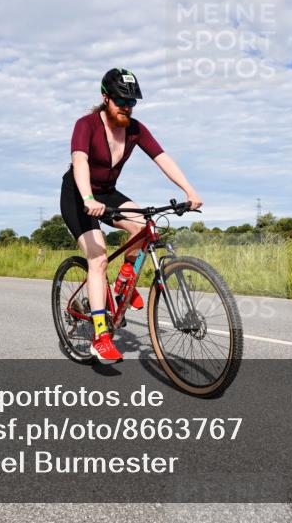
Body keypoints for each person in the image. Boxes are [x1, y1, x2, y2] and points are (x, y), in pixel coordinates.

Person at [60, 68, 202, 364]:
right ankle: (100, 337)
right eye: (121, 101)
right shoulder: (86, 125)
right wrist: (87, 198)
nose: (126, 107)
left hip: (108, 192)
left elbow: (163, 158)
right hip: (78, 194)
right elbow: (80, 161)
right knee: (97, 259)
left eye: (131, 102)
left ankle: (125, 280)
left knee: (145, 226)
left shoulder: (136, 129)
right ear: (105, 98)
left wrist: (190, 191)